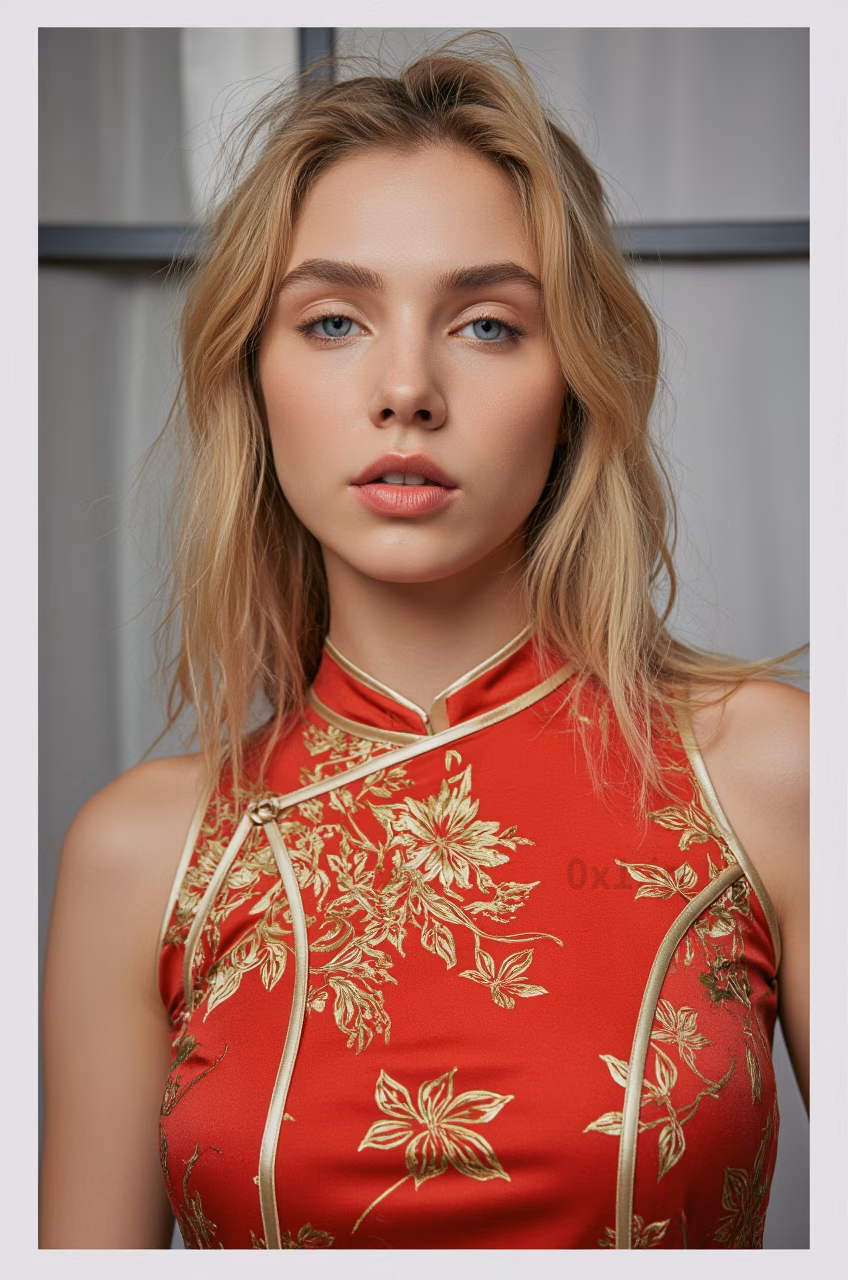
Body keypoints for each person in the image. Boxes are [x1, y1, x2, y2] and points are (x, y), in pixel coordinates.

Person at [39, 33, 808, 1250]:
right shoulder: (142, 853)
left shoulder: (764, 775)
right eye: (334, 321)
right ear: (254, 379)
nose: (406, 386)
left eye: (487, 325)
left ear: (574, 389)